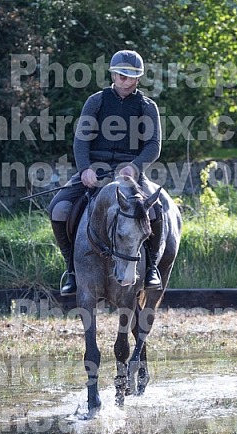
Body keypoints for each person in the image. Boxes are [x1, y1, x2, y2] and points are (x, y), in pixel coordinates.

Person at [48, 49, 163, 296]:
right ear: (113, 74)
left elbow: (153, 146)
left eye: (131, 76)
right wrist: (85, 169)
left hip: (130, 173)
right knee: (58, 209)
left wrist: (135, 166)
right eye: (121, 75)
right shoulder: (96, 101)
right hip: (95, 170)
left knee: (156, 211)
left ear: (138, 78)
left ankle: (151, 267)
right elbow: (81, 140)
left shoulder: (147, 106)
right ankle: (71, 270)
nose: (125, 80)